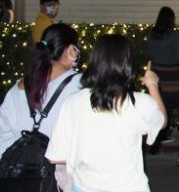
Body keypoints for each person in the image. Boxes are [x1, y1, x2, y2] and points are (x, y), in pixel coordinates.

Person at [46, 34, 166, 192]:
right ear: (128, 65)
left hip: (83, 187)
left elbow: (56, 156)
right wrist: (152, 85)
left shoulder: (73, 102)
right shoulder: (139, 102)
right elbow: (161, 120)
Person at [0, 23, 83, 192]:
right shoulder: (81, 86)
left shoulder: (20, 87)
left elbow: (2, 133)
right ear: (69, 50)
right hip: (61, 178)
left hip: (20, 176)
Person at [147, 6, 179, 146]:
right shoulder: (174, 35)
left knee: (157, 103)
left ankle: (157, 132)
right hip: (171, 75)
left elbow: (149, 52)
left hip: (157, 73)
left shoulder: (152, 34)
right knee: (168, 104)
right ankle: (164, 132)